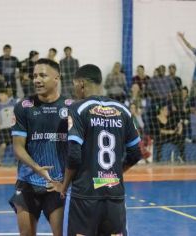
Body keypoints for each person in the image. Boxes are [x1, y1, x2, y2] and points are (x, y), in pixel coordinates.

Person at [48, 64, 142, 235]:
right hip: (115, 196)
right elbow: (136, 154)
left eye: (74, 84)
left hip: (85, 196)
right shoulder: (123, 110)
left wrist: (64, 185)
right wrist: (116, 173)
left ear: (81, 84)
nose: (74, 89)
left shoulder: (77, 109)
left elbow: (74, 156)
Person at [9, 59, 71, 236]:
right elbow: (18, 147)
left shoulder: (71, 107)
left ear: (57, 78)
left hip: (57, 184)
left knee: (61, 233)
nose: (37, 80)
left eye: (43, 75)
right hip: (28, 182)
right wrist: (36, 168)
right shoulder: (23, 107)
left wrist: (66, 181)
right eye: (35, 76)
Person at [0, 88, 16, 167]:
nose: (1, 96)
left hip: (13, 128)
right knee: (2, 145)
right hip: (3, 129)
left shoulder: (13, 102)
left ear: (7, 95)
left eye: (3, 95)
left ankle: (21, 161)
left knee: (17, 145)